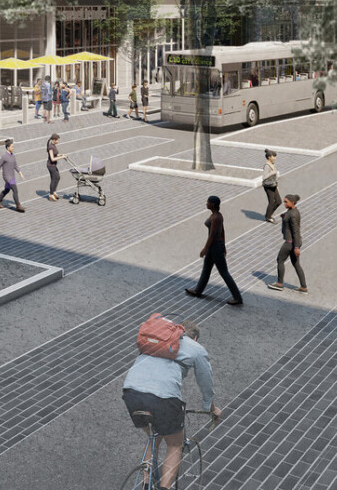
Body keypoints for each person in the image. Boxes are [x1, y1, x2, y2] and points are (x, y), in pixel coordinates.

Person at [122, 318, 220, 490]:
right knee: (175, 444)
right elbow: (206, 385)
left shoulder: (159, 339)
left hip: (131, 391)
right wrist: (212, 409)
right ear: (195, 337)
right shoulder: (196, 348)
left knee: (154, 435)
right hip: (164, 398)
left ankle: (146, 482)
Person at [184, 195, 242, 304]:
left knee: (224, 272)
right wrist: (223, 245)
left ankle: (237, 298)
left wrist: (205, 249)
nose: (206, 204)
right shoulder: (216, 215)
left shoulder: (216, 218)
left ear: (213, 204)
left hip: (215, 247)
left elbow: (213, 235)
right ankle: (198, 290)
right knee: (206, 269)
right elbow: (223, 231)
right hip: (214, 246)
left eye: (208, 202)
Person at [268, 194, 307, 292]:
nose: (284, 203)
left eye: (286, 202)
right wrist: (283, 217)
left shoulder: (293, 214)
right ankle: (303, 287)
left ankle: (279, 284)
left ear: (292, 202)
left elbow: (295, 230)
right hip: (293, 243)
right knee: (296, 264)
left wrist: (296, 247)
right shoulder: (293, 211)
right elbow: (288, 218)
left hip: (290, 243)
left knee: (280, 260)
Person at [0, 138, 25, 212]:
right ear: (8, 147)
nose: (13, 148)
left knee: (7, 190)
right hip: (7, 176)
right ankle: (18, 205)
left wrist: (21, 174)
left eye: (13, 147)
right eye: (12, 147)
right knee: (15, 190)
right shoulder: (4, 156)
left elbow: (15, 166)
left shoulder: (13, 156)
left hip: (12, 176)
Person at [261, 150, 282, 222]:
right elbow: (264, 177)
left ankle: (268, 214)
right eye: (274, 157)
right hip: (268, 186)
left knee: (279, 201)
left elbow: (275, 177)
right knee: (271, 202)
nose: (275, 158)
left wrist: (277, 186)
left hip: (274, 185)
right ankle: (268, 217)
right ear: (269, 157)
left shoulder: (273, 164)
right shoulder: (267, 166)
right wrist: (272, 172)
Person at [46, 132, 62, 201]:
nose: (58, 141)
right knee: (53, 179)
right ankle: (51, 195)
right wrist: (61, 157)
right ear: (54, 140)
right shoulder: (50, 147)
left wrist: (62, 155)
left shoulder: (54, 146)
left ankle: (54, 191)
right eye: (57, 140)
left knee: (58, 177)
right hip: (50, 165)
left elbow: (56, 154)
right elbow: (52, 158)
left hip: (54, 165)